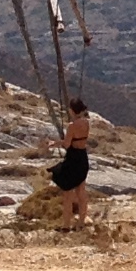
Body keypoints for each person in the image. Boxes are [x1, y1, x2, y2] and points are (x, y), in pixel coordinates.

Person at [48, 96, 92, 224]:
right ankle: (81, 222)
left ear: (72, 110)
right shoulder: (86, 122)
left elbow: (67, 144)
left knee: (68, 193)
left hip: (72, 159)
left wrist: (55, 143)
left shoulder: (72, 126)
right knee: (81, 193)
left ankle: (66, 224)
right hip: (82, 157)